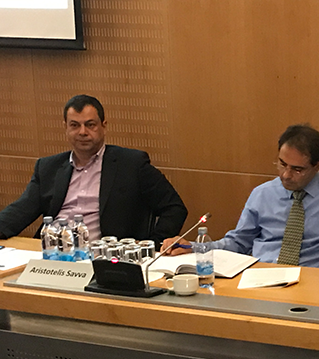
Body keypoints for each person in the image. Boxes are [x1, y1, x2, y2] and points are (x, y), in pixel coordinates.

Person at [161, 124, 319, 268]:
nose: (286, 175)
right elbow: (238, 242)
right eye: (282, 164)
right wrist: (195, 247)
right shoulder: (263, 194)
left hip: (315, 279)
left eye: (297, 169)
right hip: (261, 276)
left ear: (318, 165)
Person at [0, 94, 188, 245]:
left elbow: (174, 208)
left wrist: (153, 245)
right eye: (75, 125)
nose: (82, 132)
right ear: (65, 127)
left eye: (90, 125)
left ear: (103, 126)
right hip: (51, 254)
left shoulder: (131, 164)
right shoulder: (48, 167)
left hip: (101, 257)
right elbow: (20, 211)